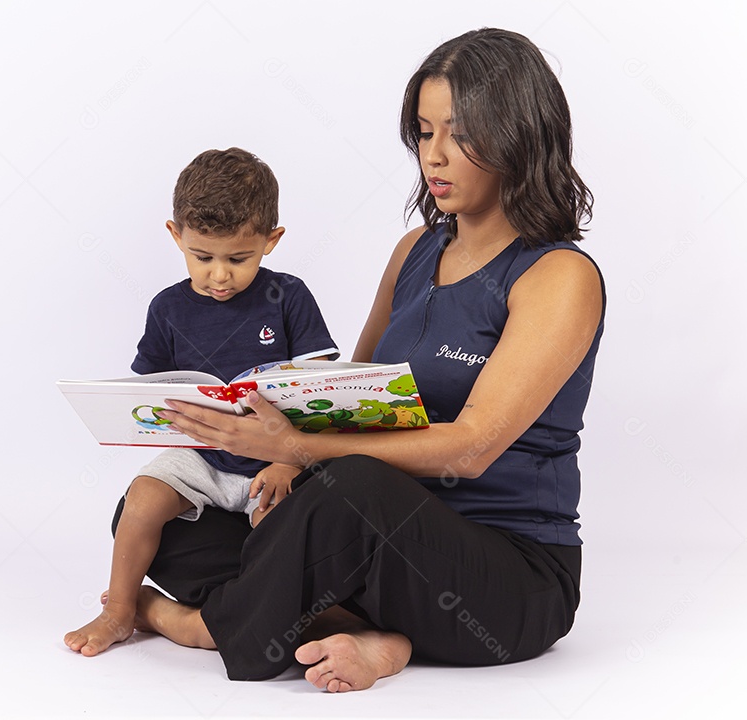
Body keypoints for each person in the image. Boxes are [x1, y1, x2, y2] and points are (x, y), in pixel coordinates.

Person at [123, 28, 605, 692]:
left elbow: (471, 449)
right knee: (161, 511)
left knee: (350, 487)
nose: (434, 156)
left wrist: (298, 446)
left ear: (519, 136)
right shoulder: (414, 251)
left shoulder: (558, 276)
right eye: (424, 133)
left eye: (460, 134)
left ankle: (197, 623)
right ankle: (373, 634)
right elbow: (347, 400)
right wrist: (273, 449)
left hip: (506, 575)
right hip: (375, 544)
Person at [64, 147, 340, 657]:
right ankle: (119, 611)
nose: (219, 276)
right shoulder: (167, 308)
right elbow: (148, 390)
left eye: (238, 259)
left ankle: (243, 616)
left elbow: (319, 393)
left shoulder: (288, 296)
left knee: (280, 538)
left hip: (274, 459)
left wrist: (287, 460)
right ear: (176, 236)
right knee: (142, 498)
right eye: (202, 257)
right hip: (201, 455)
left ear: (271, 240)